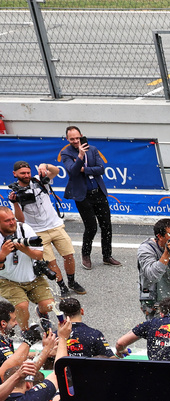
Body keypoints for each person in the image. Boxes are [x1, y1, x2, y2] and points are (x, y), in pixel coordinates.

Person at [9, 160, 81, 296]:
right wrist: (15, 203)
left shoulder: (39, 181)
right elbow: (21, 220)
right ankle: (62, 286)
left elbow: (56, 171)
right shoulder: (14, 191)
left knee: (69, 255)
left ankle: (72, 281)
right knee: (50, 262)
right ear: (15, 174)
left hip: (55, 226)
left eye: (28, 172)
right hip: (37, 231)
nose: (26, 175)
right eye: (22, 173)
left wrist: (44, 166)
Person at [58, 126, 117, 269]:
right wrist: (79, 156)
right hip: (82, 196)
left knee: (106, 226)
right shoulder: (66, 153)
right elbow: (72, 171)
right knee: (91, 227)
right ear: (67, 139)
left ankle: (107, 255)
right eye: (72, 139)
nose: (75, 141)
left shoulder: (93, 149)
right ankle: (86, 255)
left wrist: (84, 169)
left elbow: (101, 169)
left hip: (98, 192)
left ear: (81, 136)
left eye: (77, 138)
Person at [0, 206, 57, 329]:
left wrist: (26, 250)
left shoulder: (24, 229)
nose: (12, 223)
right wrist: (2, 255)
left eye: (13, 219)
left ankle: (42, 313)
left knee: (49, 305)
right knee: (22, 306)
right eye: (7, 221)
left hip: (32, 277)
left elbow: (39, 255)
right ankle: (26, 331)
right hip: (8, 280)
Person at [116, 296, 170, 361]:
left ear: (161, 314)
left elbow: (120, 343)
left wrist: (120, 351)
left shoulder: (152, 324)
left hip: (155, 375)